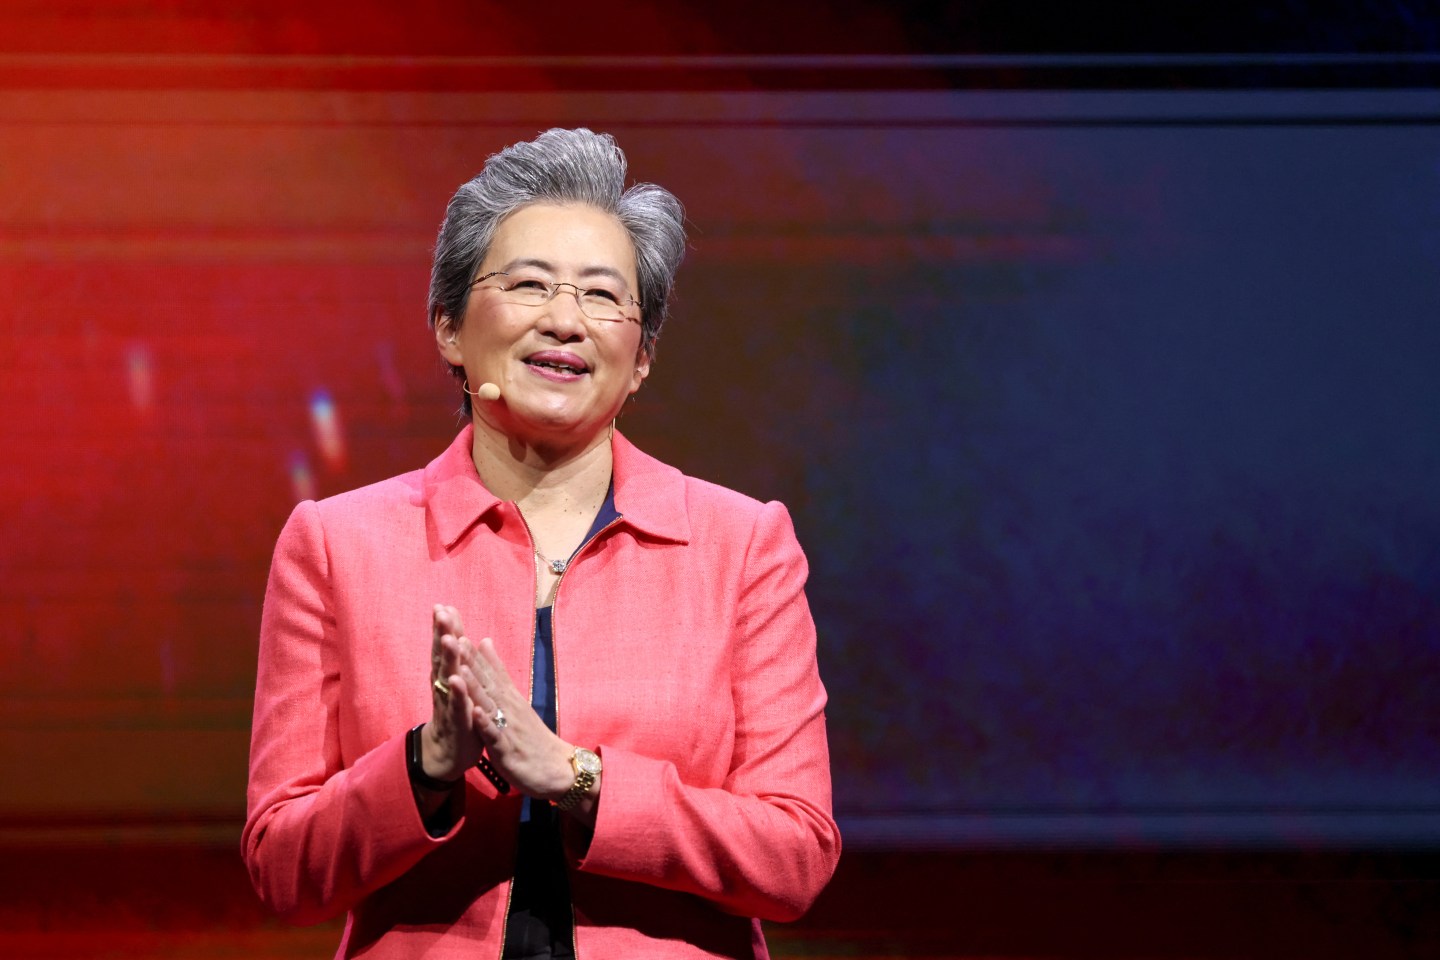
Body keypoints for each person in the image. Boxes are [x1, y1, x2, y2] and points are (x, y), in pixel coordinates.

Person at [241, 127, 840, 959]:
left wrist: (579, 778)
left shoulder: (742, 546)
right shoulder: (337, 545)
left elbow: (796, 855)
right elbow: (282, 868)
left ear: (640, 361)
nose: (565, 319)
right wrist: (425, 766)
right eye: (528, 284)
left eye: (602, 296)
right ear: (449, 328)